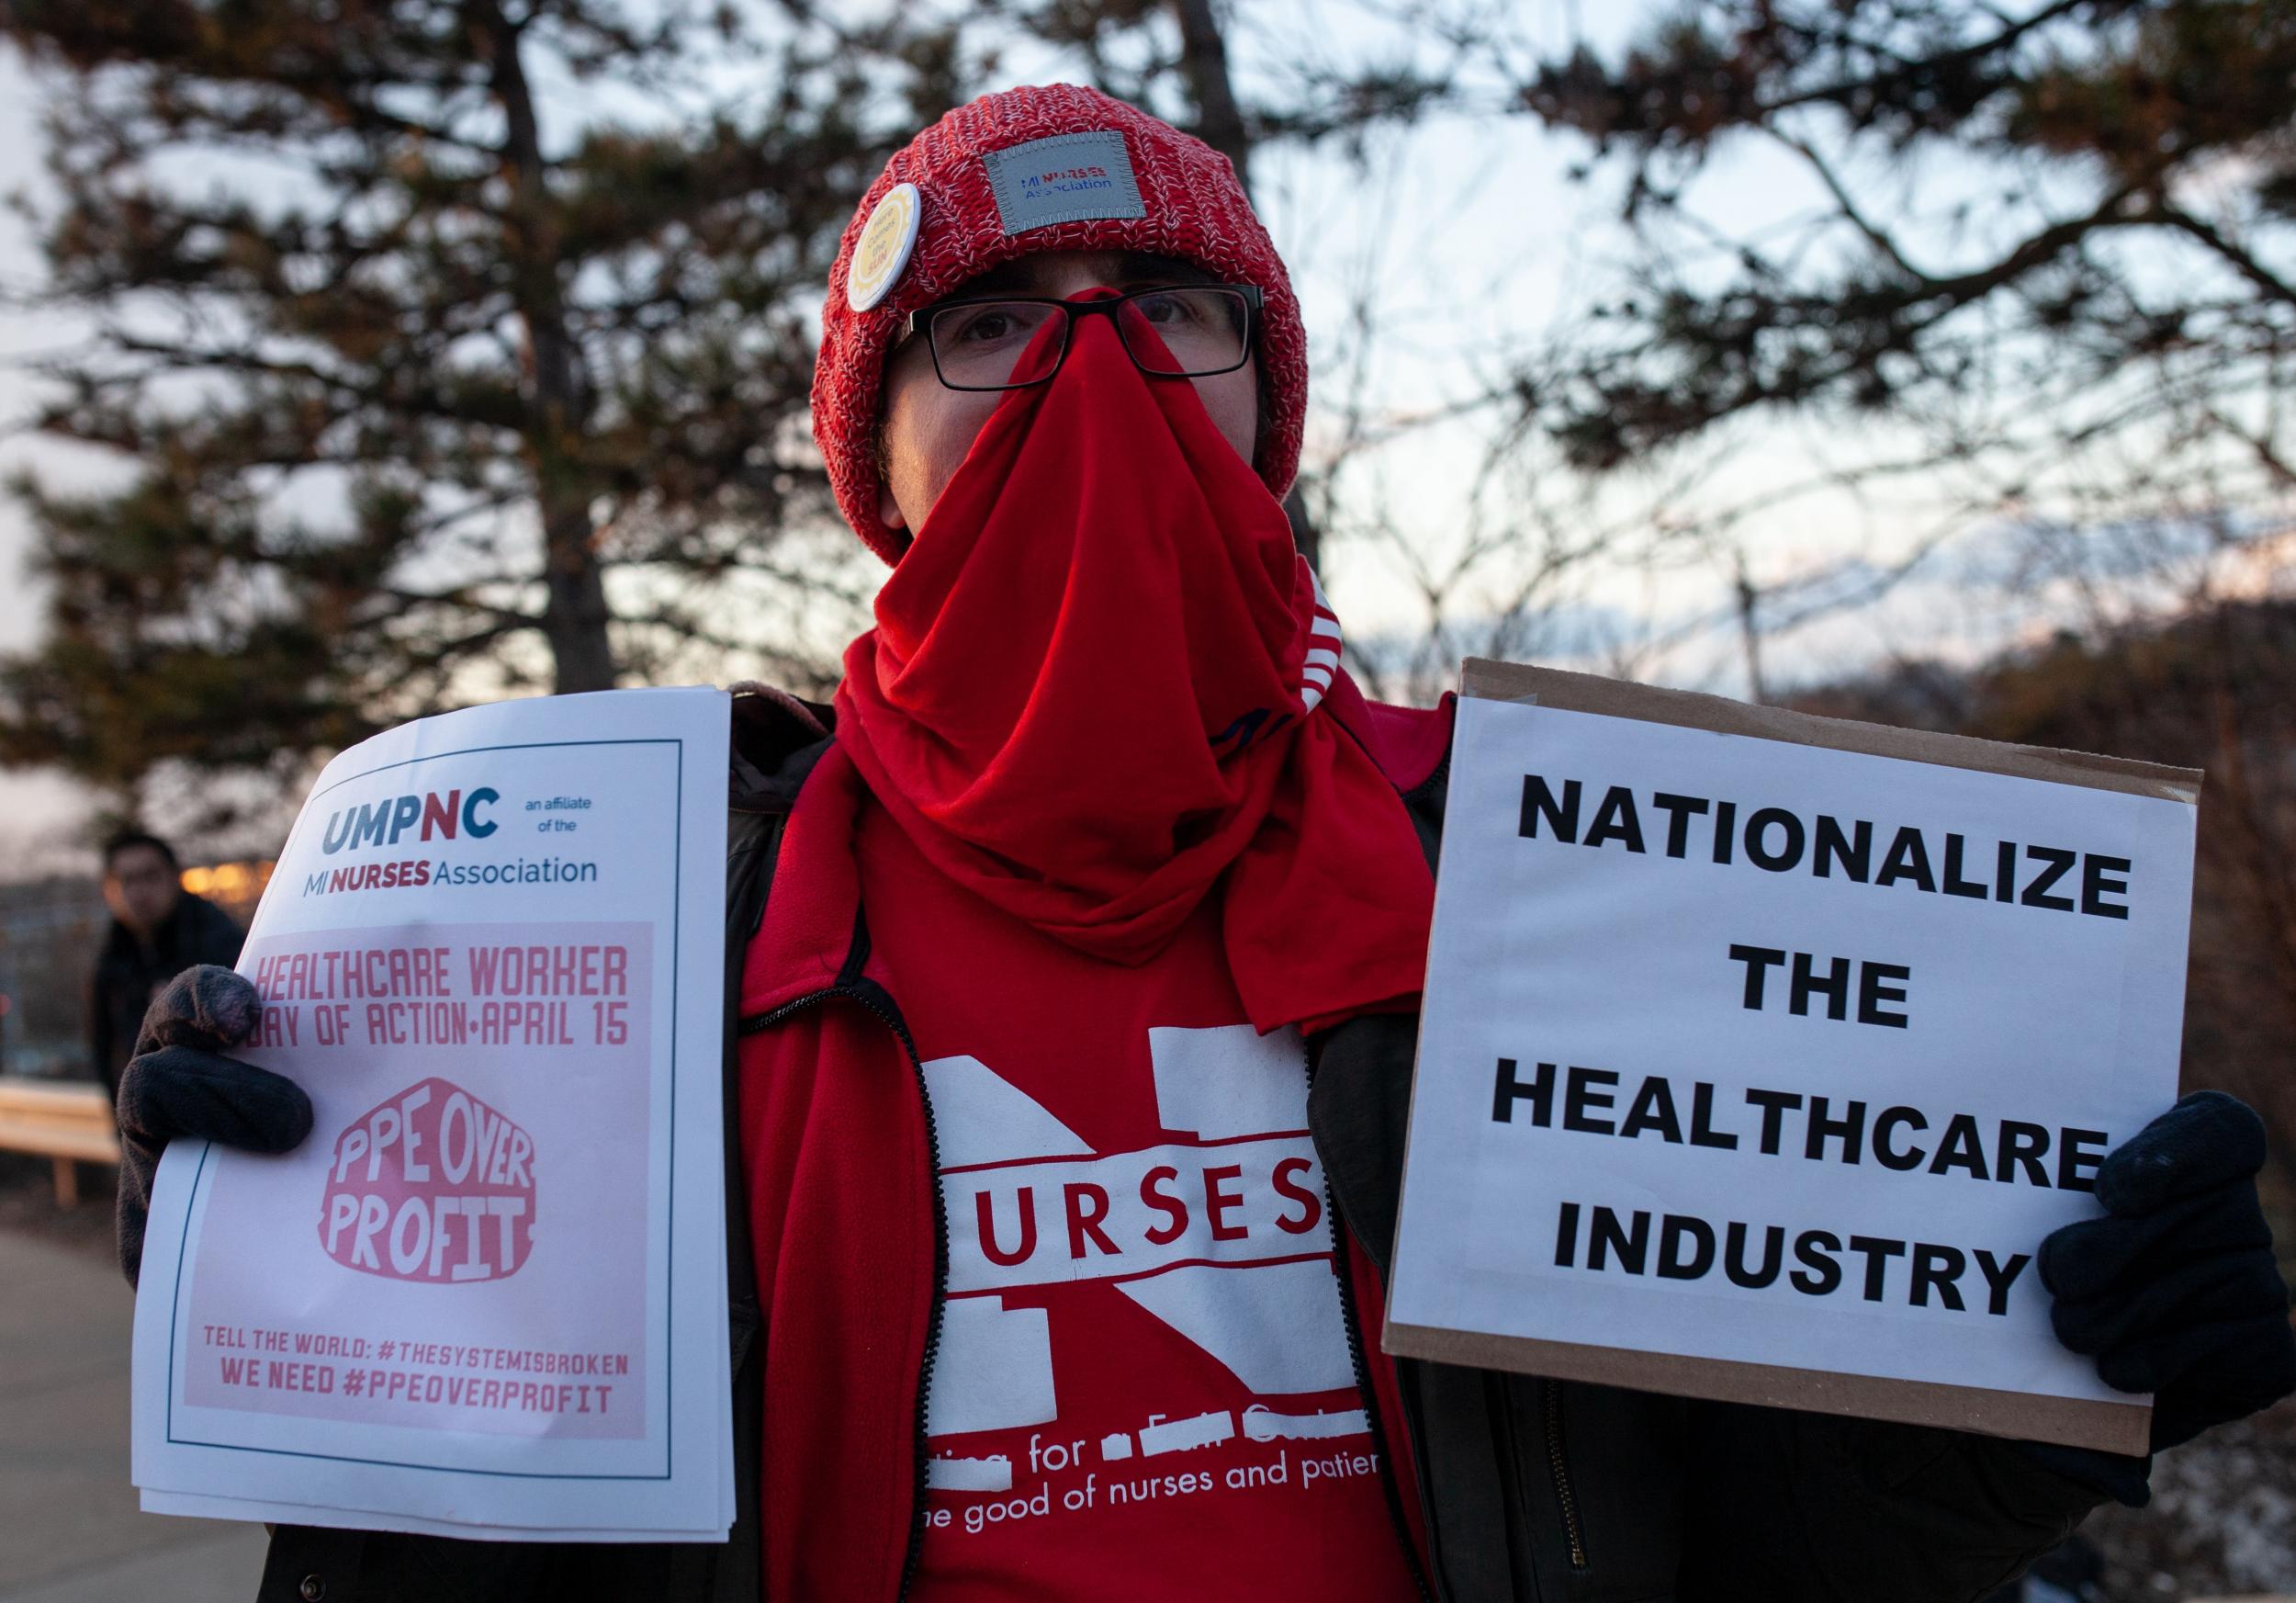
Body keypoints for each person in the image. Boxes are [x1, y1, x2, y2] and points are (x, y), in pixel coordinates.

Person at [113, 85, 2296, 1603]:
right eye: (986, 322)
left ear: (1270, 405)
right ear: (871, 454)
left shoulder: (1549, 863)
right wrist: (289, 1265)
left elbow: (1769, 1542)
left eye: (1167, 312)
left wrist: (2024, 1383)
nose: (1090, 369)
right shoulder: (657, 905)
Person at [88, 828, 241, 1102]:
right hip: (147, 1126)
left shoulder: (219, 943)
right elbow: (104, 1051)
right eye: (126, 880)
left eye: (150, 876)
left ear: (175, 877)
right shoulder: (111, 960)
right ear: (108, 890)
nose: (138, 891)